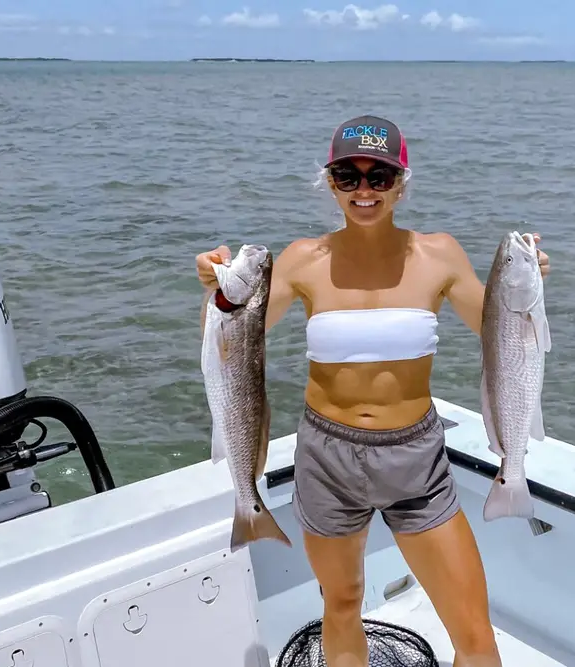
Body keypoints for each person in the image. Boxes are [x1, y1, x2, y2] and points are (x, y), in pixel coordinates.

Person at [196, 115, 550, 667]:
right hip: (326, 457)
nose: (364, 190)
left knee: (476, 637)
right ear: (330, 182)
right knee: (341, 605)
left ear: (401, 182)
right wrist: (217, 293)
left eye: (379, 177)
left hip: (416, 460)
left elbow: (503, 336)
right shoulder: (299, 260)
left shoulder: (440, 255)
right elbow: (229, 349)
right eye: (348, 175)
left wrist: (525, 287)